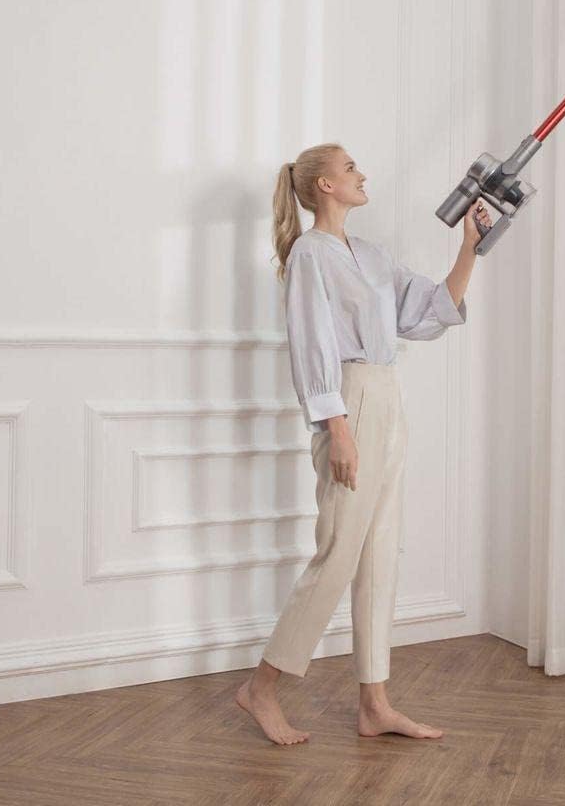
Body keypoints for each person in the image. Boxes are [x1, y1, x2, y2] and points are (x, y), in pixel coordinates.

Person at [235, 143, 489, 745]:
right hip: (347, 402)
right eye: (350, 169)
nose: (362, 174)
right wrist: (338, 428)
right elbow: (312, 344)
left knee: (379, 554)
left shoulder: (372, 256)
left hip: (388, 394)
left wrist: (469, 249)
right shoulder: (309, 256)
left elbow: (428, 312)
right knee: (338, 553)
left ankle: (374, 703)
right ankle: (261, 689)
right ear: (323, 185)